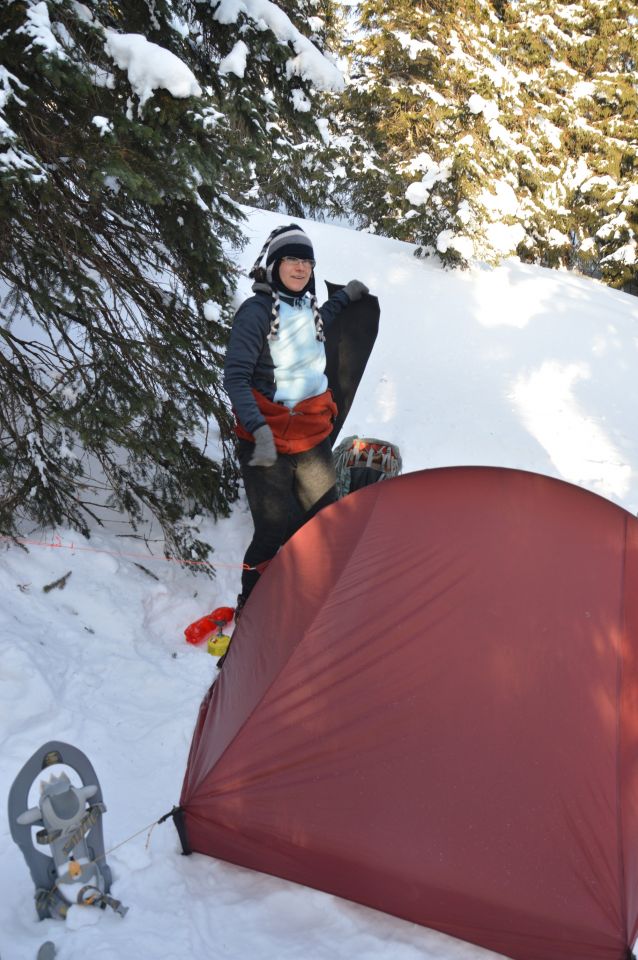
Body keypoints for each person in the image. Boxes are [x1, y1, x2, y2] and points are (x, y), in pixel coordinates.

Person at [223, 223, 369, 616]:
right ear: (274, 265)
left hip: (310, 432)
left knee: (324, 517)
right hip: (267, 436)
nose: (300, 268)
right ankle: (251, 605)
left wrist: (348, 297)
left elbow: (322, 315)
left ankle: (313, 594)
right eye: (292, 259)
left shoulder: (308, 308)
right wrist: (257, 429)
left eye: (307, 261)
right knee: (273, 529)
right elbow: (235, 378)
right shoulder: (256, 313)